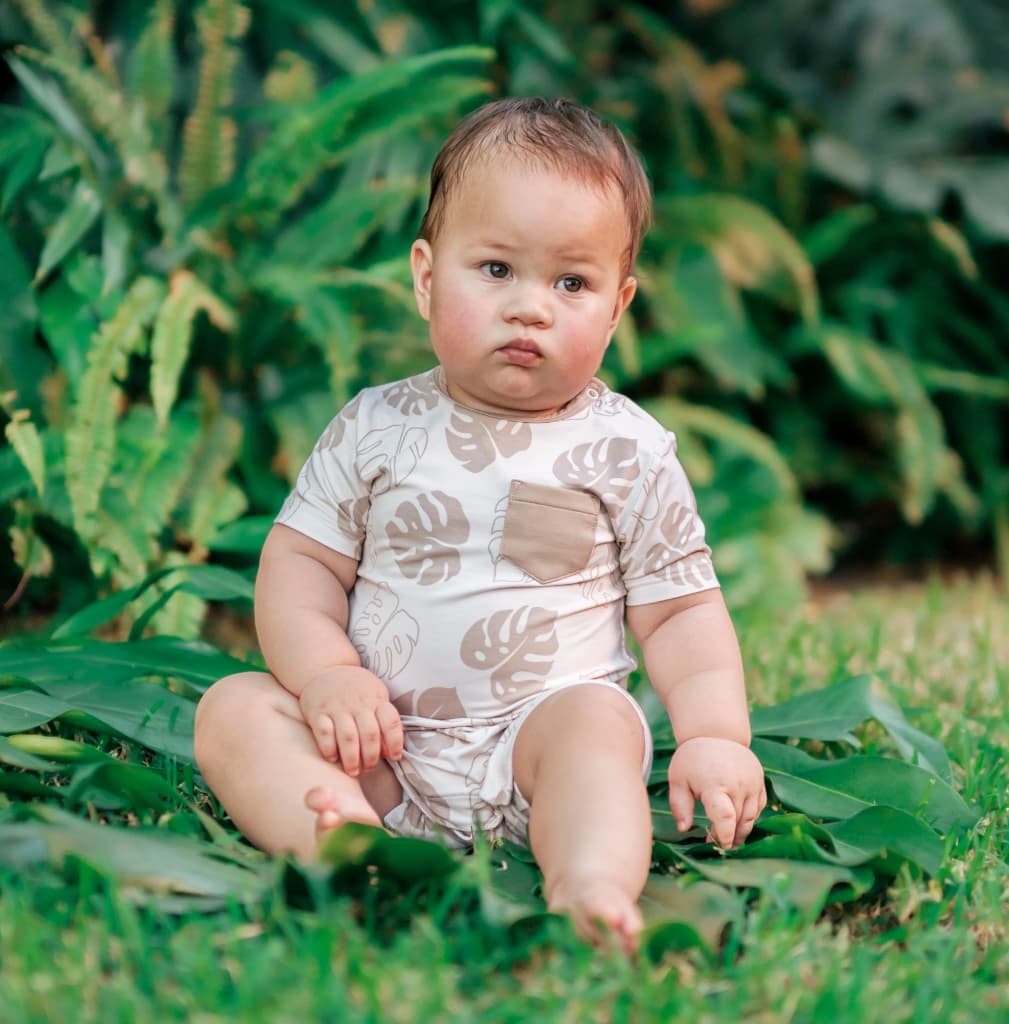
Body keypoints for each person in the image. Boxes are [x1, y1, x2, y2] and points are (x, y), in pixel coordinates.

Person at [194, 96, 766, 952]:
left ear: (617, 307)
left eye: (571, 283)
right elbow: (301, 566)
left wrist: (715, 736)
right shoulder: (373, 427)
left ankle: (590, 888)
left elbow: (679, 611)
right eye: (496, 269)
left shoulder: (627, 450)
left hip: (537, 754)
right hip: (378, 747)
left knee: (598, 727)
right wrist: (325, 678)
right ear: (426, 277)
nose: (531, 307)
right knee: (233, 709)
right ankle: (352, 845)